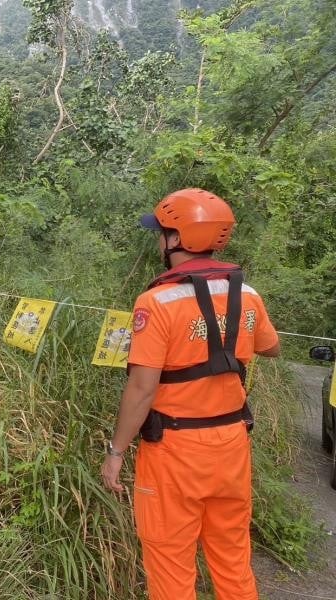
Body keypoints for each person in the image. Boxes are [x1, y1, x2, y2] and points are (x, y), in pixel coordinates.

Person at [101, 188, 280, 600]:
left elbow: (142, 388)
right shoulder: (247, 295)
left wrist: (115, 452)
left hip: (175, 454)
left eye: (162, 231)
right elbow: (271, 347)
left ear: (178, 239)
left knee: (170, 565)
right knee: (233, 561)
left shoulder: (157, 301)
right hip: (232, 446)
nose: (158, 239)